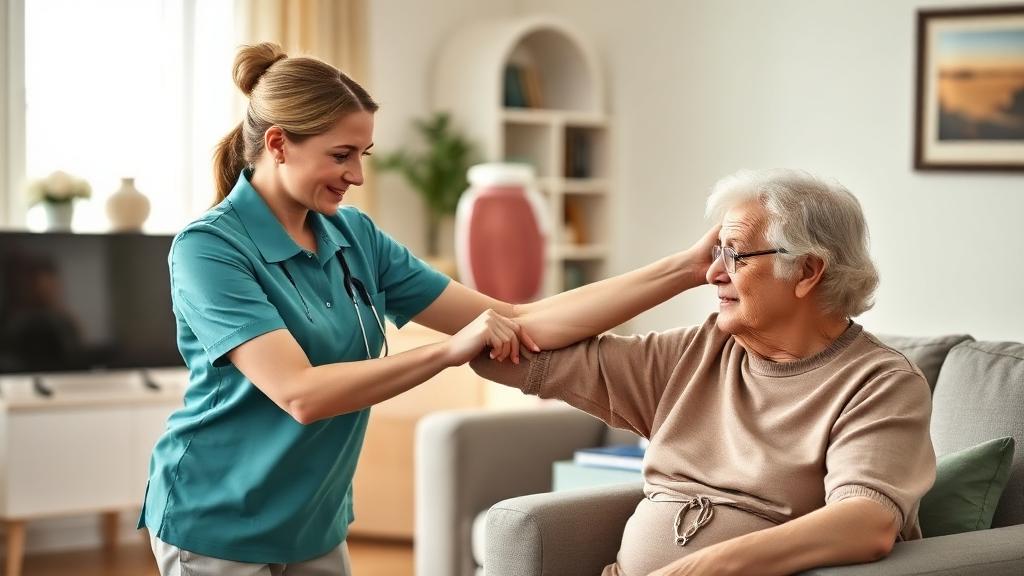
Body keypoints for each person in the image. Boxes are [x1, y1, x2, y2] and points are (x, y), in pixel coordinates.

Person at [139, 42, 712, 576]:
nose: (357, 176)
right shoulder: (208, 249)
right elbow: (301, 394)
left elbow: (517, 318)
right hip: (216, 519)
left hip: (312, 520)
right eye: (340, 155)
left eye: (362, 154)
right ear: (279, 143)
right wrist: (447, 352)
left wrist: (685, 270)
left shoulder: (354, 235)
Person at [472, 168, 936, 576]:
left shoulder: (879, 382)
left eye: (733, 255)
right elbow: (502, 351)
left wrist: (703, 568)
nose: (713, 273)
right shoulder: (699, 351)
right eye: (714, 254)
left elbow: (866, 523)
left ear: (808, 270)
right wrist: (679, 269)